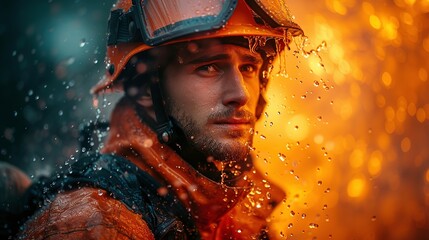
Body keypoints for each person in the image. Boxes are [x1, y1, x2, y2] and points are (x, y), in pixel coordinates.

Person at [16, 0, 303, 239]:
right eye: (208, 67)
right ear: (146, 89)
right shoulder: (96, 223)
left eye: (249, 67)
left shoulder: (240, 207)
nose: (240, 93)